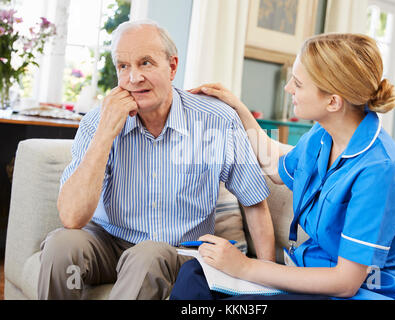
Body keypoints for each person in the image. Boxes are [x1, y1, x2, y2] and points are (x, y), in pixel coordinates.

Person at [170, 33, 395, 300]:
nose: (288, 87)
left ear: (333, 102)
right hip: (306, 274)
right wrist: (239, 110)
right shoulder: (322, 135)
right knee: (194, 273)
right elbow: (276, 168)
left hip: (357, 292)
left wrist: (245, 266)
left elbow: (345, 282)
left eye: (299, 84)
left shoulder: (381, 170)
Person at [37, 20, 276, 300]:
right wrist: (105, 133)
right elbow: (71, 217)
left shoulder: (216, 121)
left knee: (147, 256)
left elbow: (254, 202)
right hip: (108, 244)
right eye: (123, 66)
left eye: (145, 63)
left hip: (173, 252)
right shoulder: (97, 122)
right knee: (61, 245)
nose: (133, 78)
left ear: (172, 67)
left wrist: (266, 274)